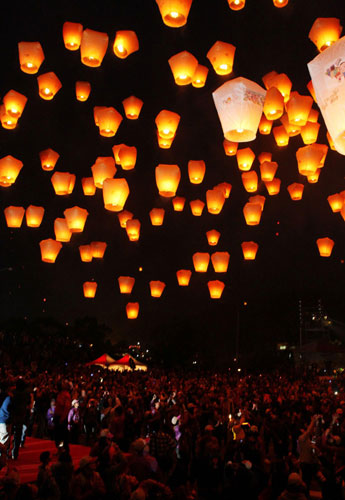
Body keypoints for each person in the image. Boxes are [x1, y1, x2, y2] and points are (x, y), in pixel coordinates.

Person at [11, 378, 30, 460]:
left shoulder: (13, 393)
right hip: (21, 415)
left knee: (8, 434)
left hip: (12, 415)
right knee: (18, 435)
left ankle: (8, 451)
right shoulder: (26, 394)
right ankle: (15, 453)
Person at [54, 382, 71, 452]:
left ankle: (64, 449)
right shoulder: (60, 394)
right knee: (57, 435)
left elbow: (67, 408)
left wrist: (63, 417)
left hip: (62, 417)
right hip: (58, 416)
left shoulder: (66, 395)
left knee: (62, 435)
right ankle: (59, 449)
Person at [0, 383, 12, 460]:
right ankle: (2, 457)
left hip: (2, 419)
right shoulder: (9, 398)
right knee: (4, 440)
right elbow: (11, 409)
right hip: (5, 420)